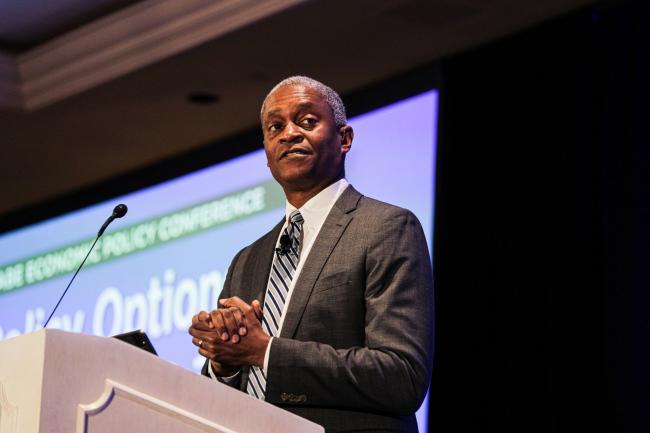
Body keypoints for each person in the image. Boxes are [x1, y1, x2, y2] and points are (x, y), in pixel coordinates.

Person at [188, 76, 434, 433]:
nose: (289, 134)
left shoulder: (386, 227)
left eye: (306, 121)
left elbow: (401, 376)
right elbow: (222, 401)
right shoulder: (246, 260)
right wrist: (225, 364)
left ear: (344, 139)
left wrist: (265, 352)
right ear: (268, 155)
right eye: (275, 127)